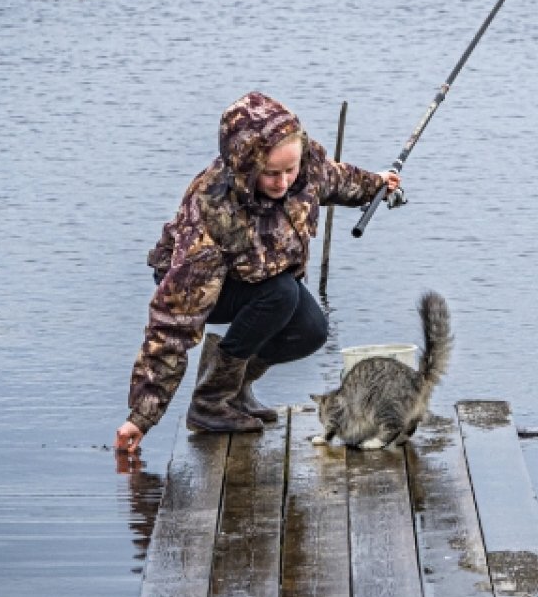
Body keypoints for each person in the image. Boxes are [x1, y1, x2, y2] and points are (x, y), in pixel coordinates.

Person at [115, 91, 401, 452]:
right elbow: (173, 322)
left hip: (258, 277)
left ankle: (234, 390)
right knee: (280, 293)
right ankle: (210, 403)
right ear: (246, 166)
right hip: (194, 283)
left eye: (289, 170)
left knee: (311, 330)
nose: (283, 182)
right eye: (270, 174)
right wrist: (141, 416)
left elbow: (334, 180)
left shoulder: (305, 169)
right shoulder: (214, 211)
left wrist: (377, 184)